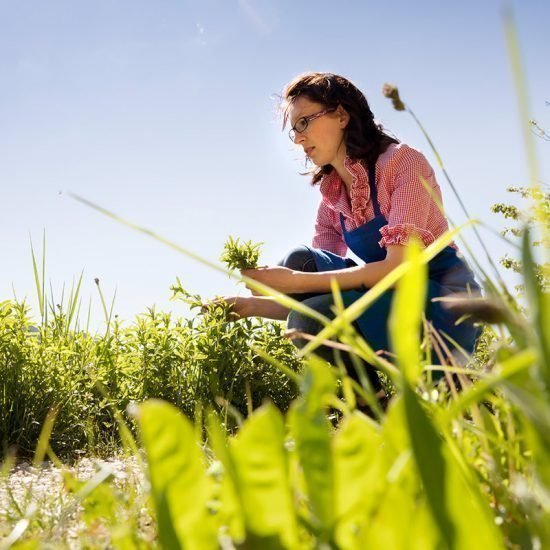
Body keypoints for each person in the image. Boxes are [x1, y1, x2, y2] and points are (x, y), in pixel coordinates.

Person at [216, 72, 481, 393]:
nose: (298, 138)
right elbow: (314, 294)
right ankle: (375, 405)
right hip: (391, 298)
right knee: (301, 268)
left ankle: (447, 381)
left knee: (302, 290)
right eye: (293, 130)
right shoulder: (333, 198)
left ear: (341, 115)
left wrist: (293, 281)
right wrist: (252, 306)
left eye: (304, 123)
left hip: (444, 304)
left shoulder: (403, 163)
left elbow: (398, 269)